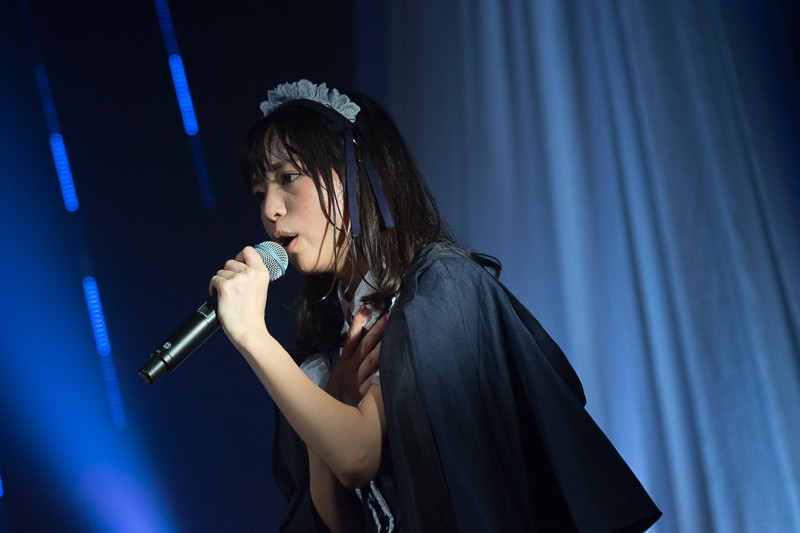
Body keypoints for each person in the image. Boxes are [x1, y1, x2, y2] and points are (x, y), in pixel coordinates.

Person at [209, 79, 661, 532]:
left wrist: (251, 334)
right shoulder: (329, 345)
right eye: (259, 193)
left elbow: (358, 456)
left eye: (288, 178)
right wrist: (330, 404)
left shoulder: (439, 291)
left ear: (356, 171)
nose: (270, 209)